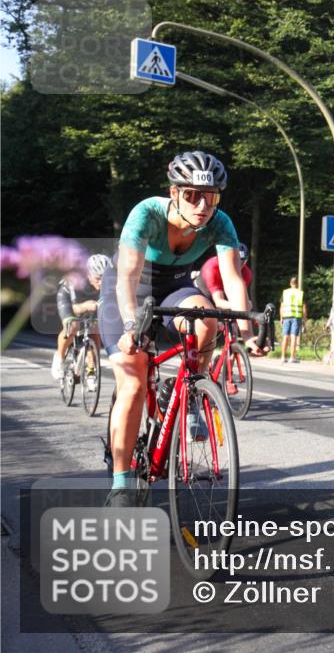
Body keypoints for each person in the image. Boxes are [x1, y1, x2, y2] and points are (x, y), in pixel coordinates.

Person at [101, 151, 265, 507]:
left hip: (174, 287)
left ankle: (190, 391)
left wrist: (248, 333)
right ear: (173, 192)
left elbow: (234, 280)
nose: (203, 204)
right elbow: (127, 278)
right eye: (192, 195)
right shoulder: (146, 214)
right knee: (132, 379)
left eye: (212, 196)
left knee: (207, 318)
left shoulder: (220, 223)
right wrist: (132, 325)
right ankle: (120, 483)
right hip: (129, 291)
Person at [51, 254, 112, 384]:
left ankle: (91, 369)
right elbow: (75, 308)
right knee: (72, 326)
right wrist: (86, 306)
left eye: (105, 278)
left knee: (95, 330)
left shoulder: (109, 282)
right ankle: (59, 358)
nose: (102, 282)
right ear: (89, 275)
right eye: (98, 278)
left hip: (91, 302)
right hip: (68, 299)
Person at [195, 242, 253, 310]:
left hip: (222, 294)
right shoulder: (211, 268)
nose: (236, 264)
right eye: (232, 260)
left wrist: (243, 304)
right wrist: (243, 304)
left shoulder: (246, 273)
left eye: (241, 262)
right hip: (203, 293)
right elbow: (219, 303)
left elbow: (240, 300)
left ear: (246, 261)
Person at [279, 277, 307, 363]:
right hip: (296, 317)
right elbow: (304, 308)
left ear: (290, 283)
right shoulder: (300, 293)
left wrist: (281, 318)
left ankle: (283, 357)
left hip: (286, 316)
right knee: (294, 336)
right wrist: (305, 319)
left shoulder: (285, 292)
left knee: (285, 336)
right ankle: (292, 357)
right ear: (297, 283)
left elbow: (282, 306)